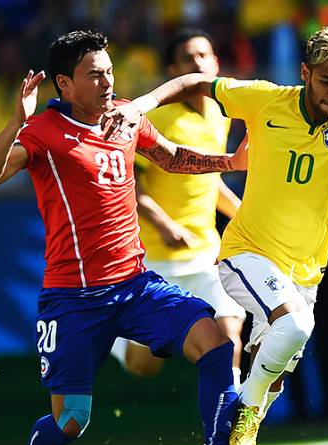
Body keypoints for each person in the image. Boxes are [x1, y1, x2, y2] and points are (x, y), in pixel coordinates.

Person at [0, 30, 274, 445]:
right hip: (72, 300)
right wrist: (15, 122)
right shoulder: (44, 132)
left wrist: (230, 162)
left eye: (110, 71)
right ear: (64, 84)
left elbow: (172, 157)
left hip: (136, 283)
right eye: (95, 74)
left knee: (217, 342)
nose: (108, 81)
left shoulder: (126, 118)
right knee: (71, 421)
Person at [102, 24, 328, 445]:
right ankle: (244, 413)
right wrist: (141, 104)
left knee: (276, 368)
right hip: (244, 253)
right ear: (305, 73)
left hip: (304, 269)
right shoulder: (267, 99)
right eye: (326, 81)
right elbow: (197, 83)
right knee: (294, 328)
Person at [108, 28, 248, 386]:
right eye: (188, 58)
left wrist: (246, 217)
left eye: (204, 55)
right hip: (156, 257)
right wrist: (164, 223)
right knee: (145, 365)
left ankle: (228, 426)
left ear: (216, 63)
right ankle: (119, 337)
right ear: (173, 72)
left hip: (206, 251)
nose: (198, 63)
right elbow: (127, 185)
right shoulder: (156, 119)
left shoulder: (222, 113)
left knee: (229, 335)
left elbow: (207, 182)